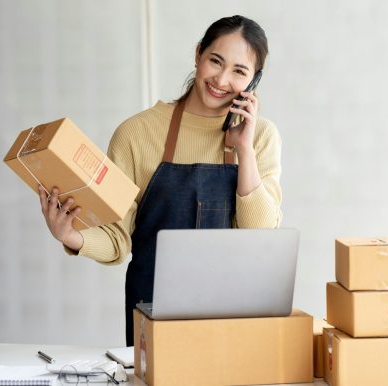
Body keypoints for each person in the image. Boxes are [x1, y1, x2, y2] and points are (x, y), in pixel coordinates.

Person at [38, 15, 282, 346]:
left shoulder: (261, 136)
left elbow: (261, 237)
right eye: (215, 61)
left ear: (254, 81)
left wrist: (244, 149)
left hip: (233, 319)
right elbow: (117, 238)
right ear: (198, 54)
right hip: (153, 315)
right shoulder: (136, 134)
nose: (222, 79)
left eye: (239, 71)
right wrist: (70, 235)